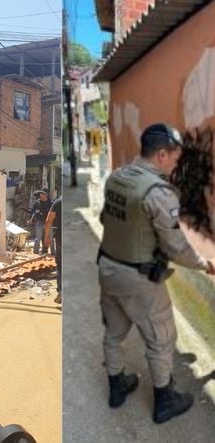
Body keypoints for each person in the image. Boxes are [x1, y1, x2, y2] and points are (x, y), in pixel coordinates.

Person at [97, 123, 215, 424]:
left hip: (108, 268)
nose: (176, 164)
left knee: (114, 332)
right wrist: (205, 263)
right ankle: (165, 400)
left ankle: (116, 388)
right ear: (162, 154)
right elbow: (176, 247)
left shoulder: (118, 177)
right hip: (139, 280)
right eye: (175, 157)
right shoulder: (158, 193)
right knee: (161, 339)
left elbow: (107, 218)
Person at [44, 195, 61, 304]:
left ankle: (62, 291)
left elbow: (48, 221)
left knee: (61, 265)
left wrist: (47, 237)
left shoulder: (58, 202)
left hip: (62, 238)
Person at [29, 189, 53, 255]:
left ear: (47, 195)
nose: (41, 195)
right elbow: (33, 212)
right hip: (39, 222)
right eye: (40, 194)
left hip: (48, 222)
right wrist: (31, 219)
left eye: (43, 194)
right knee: (37, 238)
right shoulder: (37, 202)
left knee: (50, 238)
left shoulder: (51, 203)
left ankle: (53, 252)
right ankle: (35, 253)